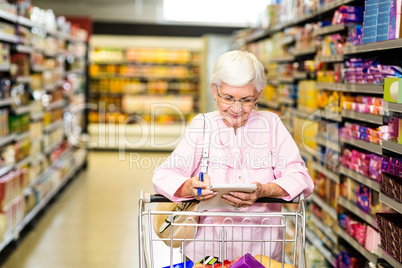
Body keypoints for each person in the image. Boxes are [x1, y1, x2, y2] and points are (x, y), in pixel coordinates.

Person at [153, 50, 314, 262]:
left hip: (262, 254)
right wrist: (189, 187)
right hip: (207, 255)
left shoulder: (272, 125)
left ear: (258, 94)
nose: (237, 109)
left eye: (247, 100)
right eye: (228, 98)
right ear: (214, 90)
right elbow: (163, 175)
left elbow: (300, 177)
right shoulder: (202, 126)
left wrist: (264, 190)